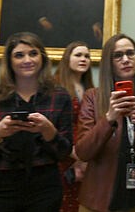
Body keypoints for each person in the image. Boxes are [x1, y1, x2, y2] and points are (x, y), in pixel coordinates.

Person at [0, 32, 73, 211]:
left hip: (45, 185)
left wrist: (48, 130)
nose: (27, 60)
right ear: (9, 62)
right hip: (1, 186)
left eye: (33, 53)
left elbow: (64, 153)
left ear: (42, 58)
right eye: (19, 55)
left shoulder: (59, 96)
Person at [75, 33, 135, 212]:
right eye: (118, 55)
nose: (126, 59)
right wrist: (109, 119)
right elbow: (83, 152)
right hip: (99, 200)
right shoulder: (93, 97)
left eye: (131, 53)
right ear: (109, 62)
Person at [54, 41, 95, 212]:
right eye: (78, 55)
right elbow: (53, 125)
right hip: (62, 155)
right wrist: (74, 155)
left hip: (87, 157)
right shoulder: (56, 88)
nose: (83, 59)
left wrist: (84, 157)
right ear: (67, 59)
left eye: (87, 56)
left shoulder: (91, 89)